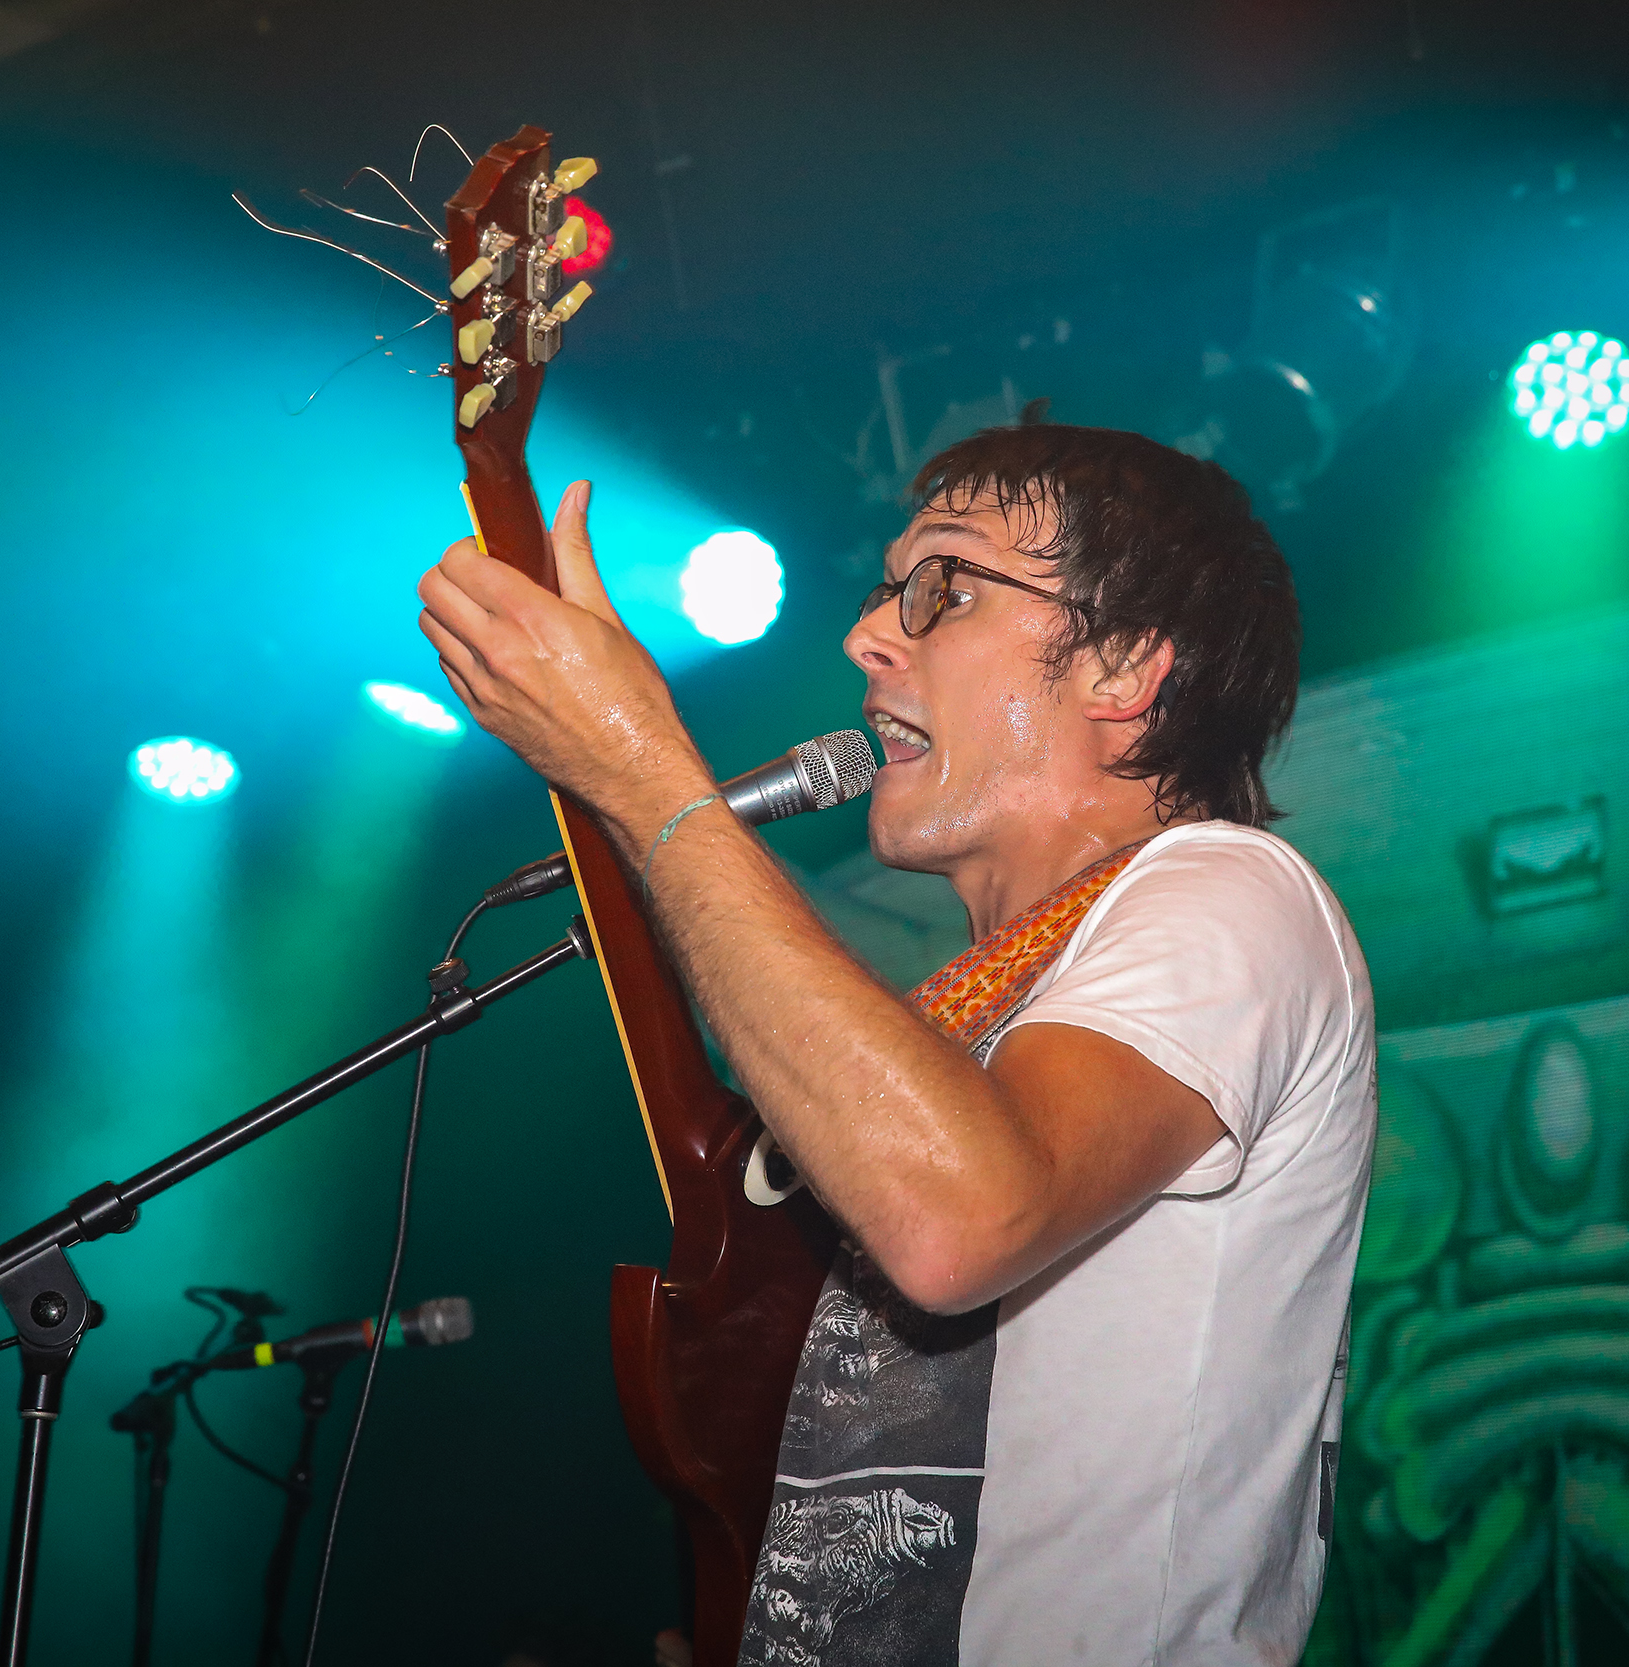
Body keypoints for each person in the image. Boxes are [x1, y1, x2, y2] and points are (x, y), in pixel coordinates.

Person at [417, 423, 1376, 1665]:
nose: (868, 633)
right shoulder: (958, 1019)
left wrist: (647, 775)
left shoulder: (1231, 889)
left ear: (1124, 667)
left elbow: (957, 1217)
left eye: (944, 588)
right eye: (883, 589)